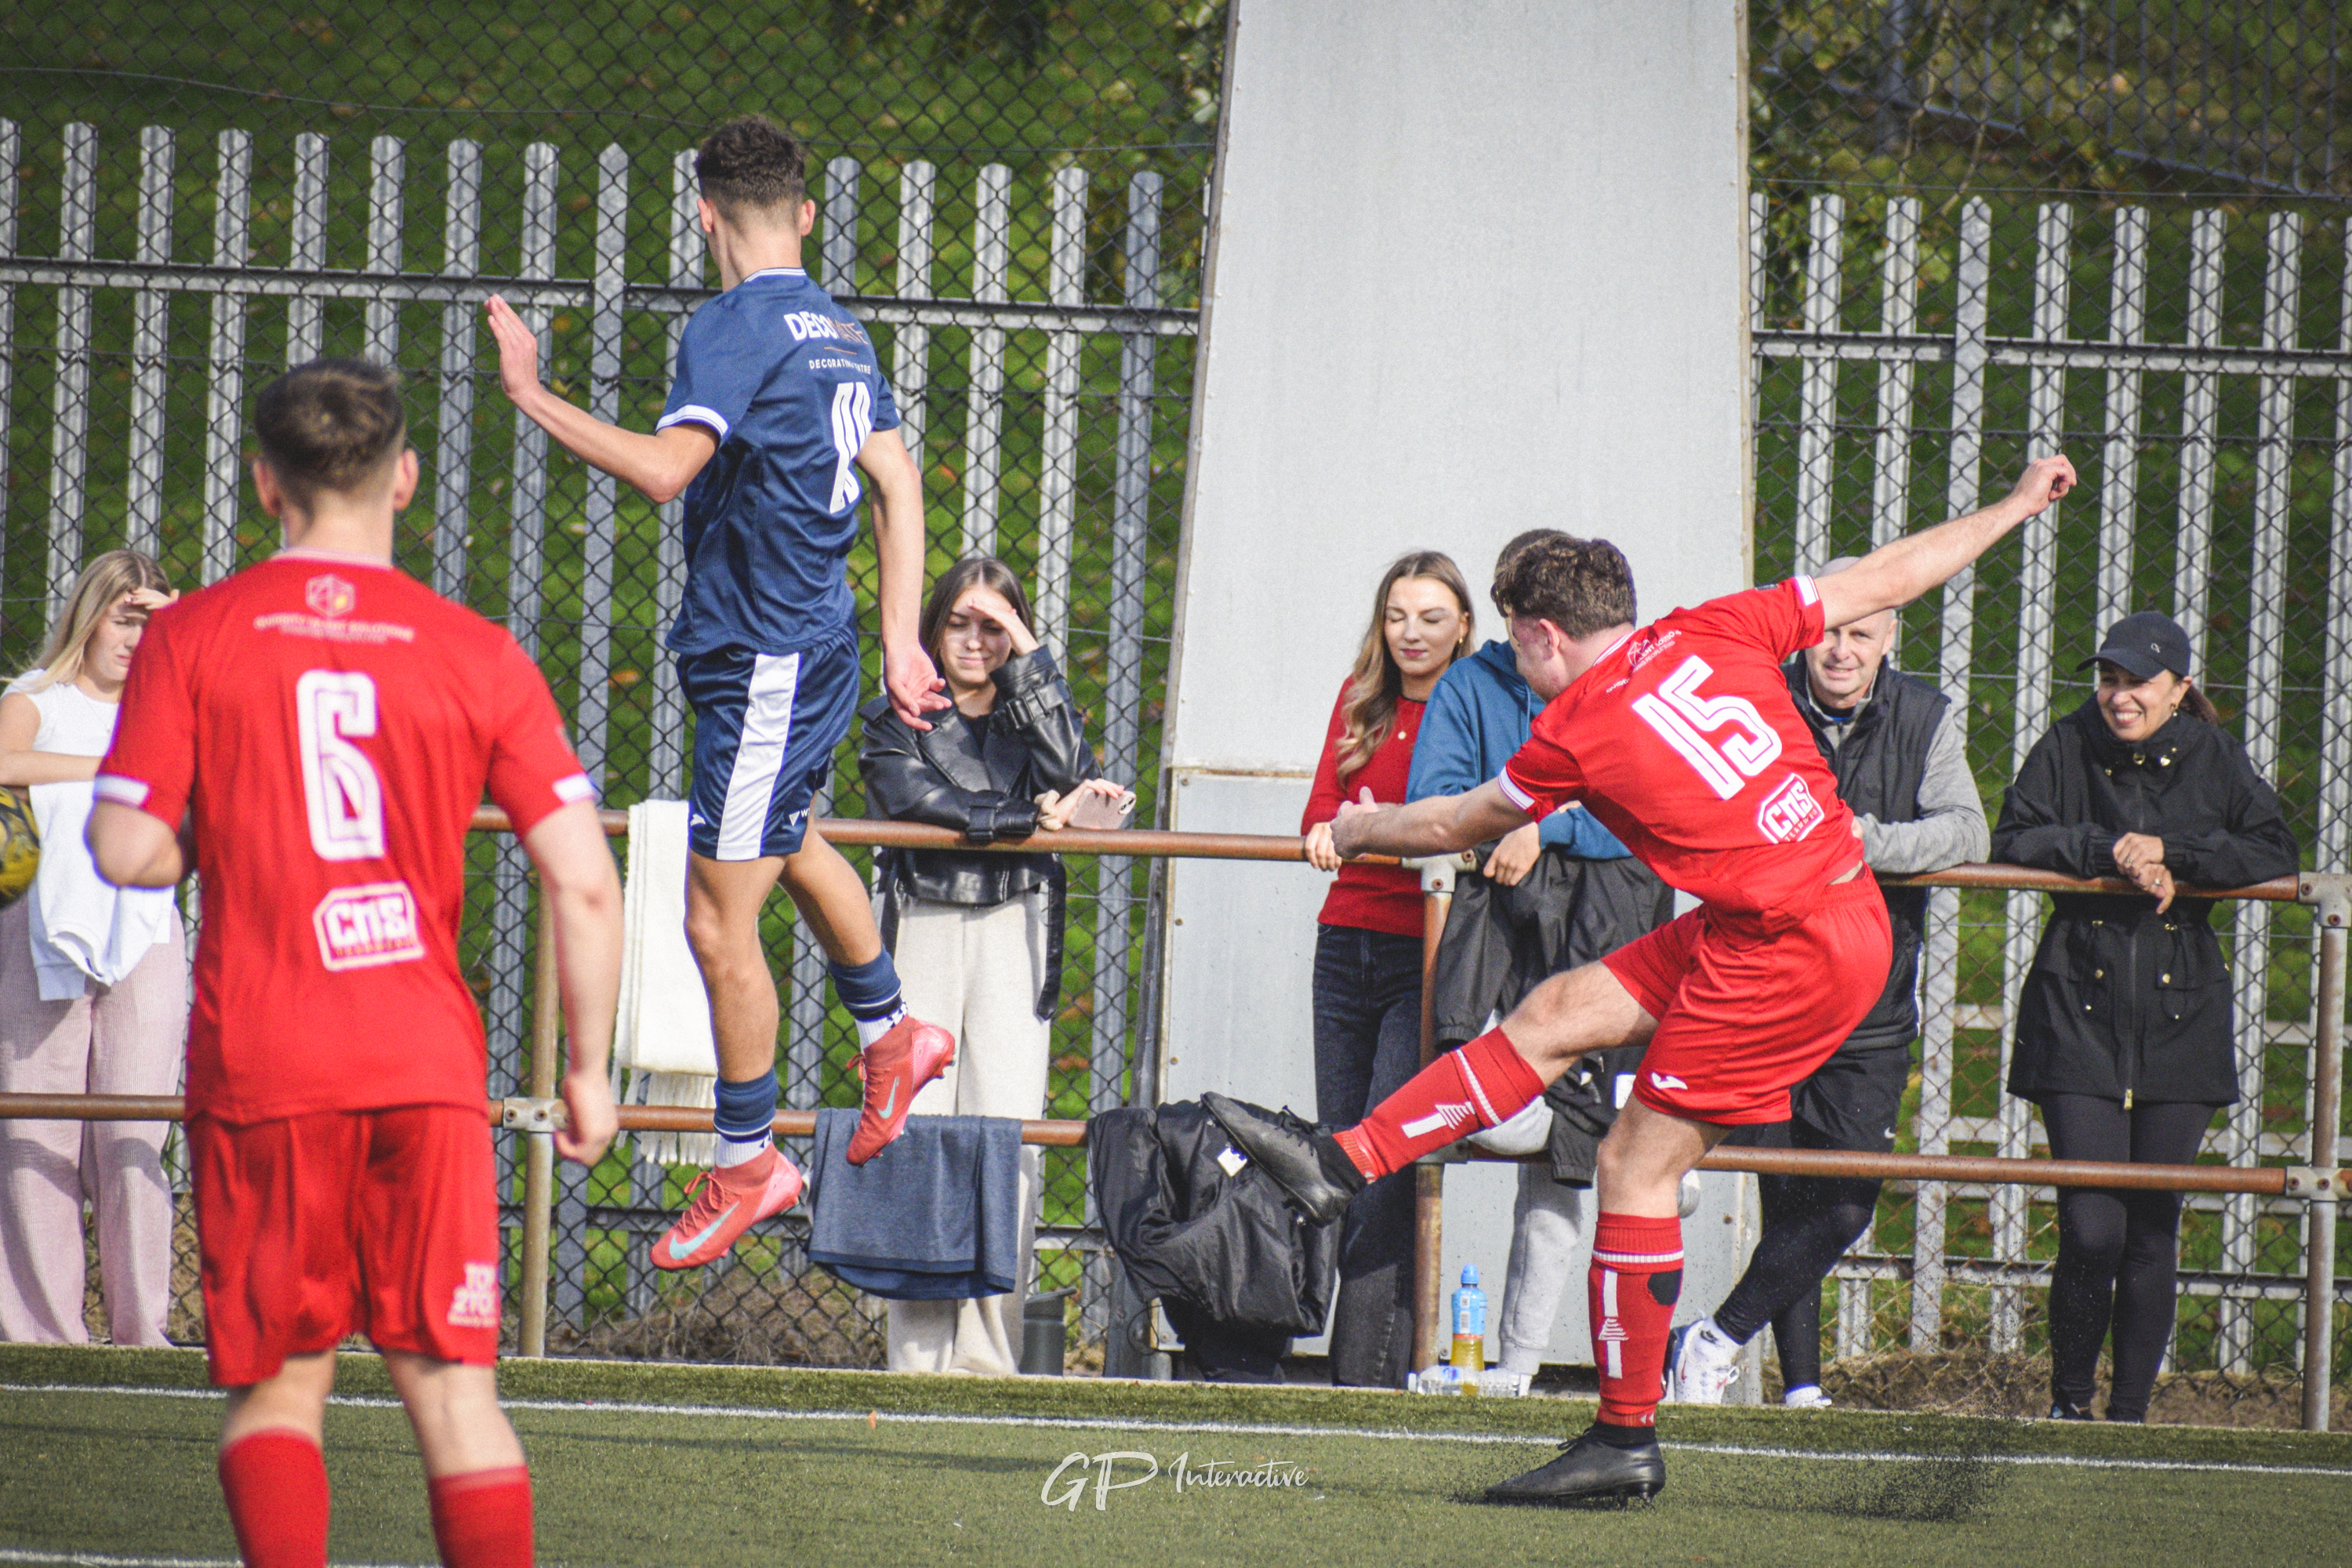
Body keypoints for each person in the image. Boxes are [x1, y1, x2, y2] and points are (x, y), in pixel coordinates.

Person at [1204, 454, 2076, 1505]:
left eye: (1511, 636)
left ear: (1541, 633)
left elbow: (1455, 822)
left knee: (1632, 1167)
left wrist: (1354, 827)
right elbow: (1889, 575)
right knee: (1556, 1012)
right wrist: (2018, 504)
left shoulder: (1574, 724)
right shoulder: (1715, 625)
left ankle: (1624, 1438)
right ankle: (1342, 1163)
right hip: (1795, 913)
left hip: (1787, 947)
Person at [86, 358, 622, 1568]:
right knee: (456, 1398)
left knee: (280, 1394)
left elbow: (125, 846)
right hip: (423, 1064)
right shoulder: (473, 651)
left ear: (265, 483)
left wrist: (219, 821)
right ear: (408, 481)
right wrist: (588, 1067)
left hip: (269, 1060)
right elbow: (585, 878)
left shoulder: (198, 636)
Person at [485, 114, 953, 1274]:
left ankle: (750, 1159)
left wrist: (532, 392)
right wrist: (898, 635)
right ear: (802, 211)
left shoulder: (732, 325)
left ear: (704, 215)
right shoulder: (841, 331)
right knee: (789, 840)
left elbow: (662, 470)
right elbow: (894, 476)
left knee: (713, 915)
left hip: (763, 658)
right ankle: (895, 1037)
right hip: (815, 644)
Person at [1666, 565, 1988, 1406]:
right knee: (1782, 1189)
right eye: (1830, 630)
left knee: (1843, 1202)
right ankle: (1802, 1386)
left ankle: (1712, 1337)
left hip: (1873, 1002)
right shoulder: (1756, 696)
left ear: (1890, 637)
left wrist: (1860, 841)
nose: (1841, 649)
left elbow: (1966, 828)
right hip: (1765, 987)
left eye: (1861, 632)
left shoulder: (1927, 715)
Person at [1993, 610, 2298, 1423]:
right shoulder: (2067, 743)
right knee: (2091, 1224)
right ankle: (2068, 1401)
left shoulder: (2213, 757)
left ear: (2179, 690)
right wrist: (2109, 850)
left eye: (2137, 682)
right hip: (2076, 1008)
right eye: (2109, 679)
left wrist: (2171, 851)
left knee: (2152, 1226)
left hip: (2181, 1012)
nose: (2118, 697)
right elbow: (2015, 834)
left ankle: (2129, 1412)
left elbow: (2272, 848)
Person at [1406, 529, 1668, 1381]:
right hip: (1493, 930)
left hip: (1605, 931)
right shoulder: (1470, 686)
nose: (1521, 641)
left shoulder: (1635, 685)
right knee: (1494, 1100)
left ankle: (1514, 1368)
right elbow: (1434, 800)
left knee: (1563, 1159)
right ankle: (1601, 1136)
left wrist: (1539, 825)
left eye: (1526, 623)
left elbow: (1644, 814)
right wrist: (1504, 825)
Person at [856, 555, 1128, 1374]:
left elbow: (1074, 770)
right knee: (916, 1130)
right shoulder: (892, 715)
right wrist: (1032, 817)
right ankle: (916, 1350)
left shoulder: (1030, 713)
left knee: (1007, 1135)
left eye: (996, 624)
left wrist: (1031, 659)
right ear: (933, 628)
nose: (976, 641)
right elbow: (917, 801)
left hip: (1015, 921)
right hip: (924, 922)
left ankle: (988, 1351)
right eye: (960, 622)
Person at [0, 550, 187, 1348]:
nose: (133, 637)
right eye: (125, 616)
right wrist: (112, 770)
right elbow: (4, 759)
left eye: (150, 622)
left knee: (134, 1127)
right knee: (38, 1125)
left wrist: (184, 631)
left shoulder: (173, 703)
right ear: (90, 615)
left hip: (144, 925)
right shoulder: (35, 697)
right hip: (40, 923)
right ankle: (43, 1331)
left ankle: (142, 1329)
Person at [1298, 551, 1473, 1388]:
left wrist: (1384, 826)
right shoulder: (1357, 696)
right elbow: (1319, 822)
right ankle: (1382, 1366)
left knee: (1383, 1159)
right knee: (1343, 1156)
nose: (1411, 632)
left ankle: (1358, 1378)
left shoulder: (1474, 704)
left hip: (1425, 951)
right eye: (1397, 614)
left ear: (1464, 626)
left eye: (1431, 617)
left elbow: (1459, 826)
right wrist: (1368, 827)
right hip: (1345, 946)